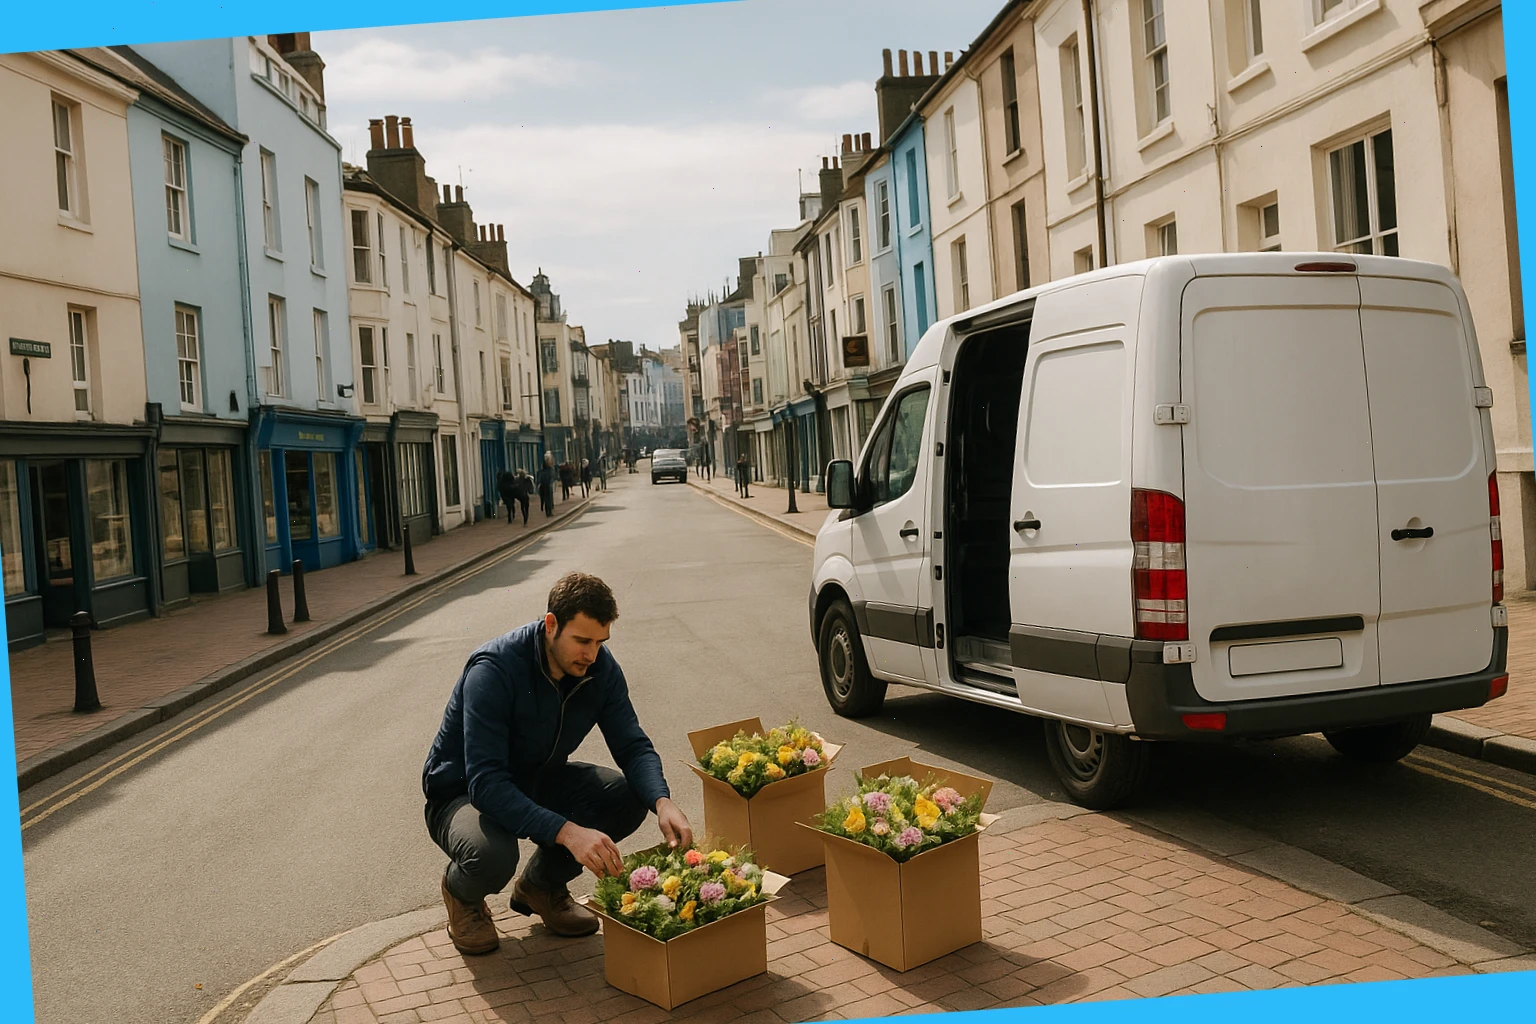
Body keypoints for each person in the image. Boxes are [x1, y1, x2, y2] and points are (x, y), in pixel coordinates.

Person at [422, 573, 693, 954]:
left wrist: (662, 801)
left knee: (629, 796)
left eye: (600, 642)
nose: (592, 654)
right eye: (582, 641)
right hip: (463, 793)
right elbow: (486, 783)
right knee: (492, 856)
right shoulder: (493, 669)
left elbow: (632, 744)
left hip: (537, 778)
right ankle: (462, 895)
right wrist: (568, 832)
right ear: (551, 625)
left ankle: (541, 887)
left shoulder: (600, 668)